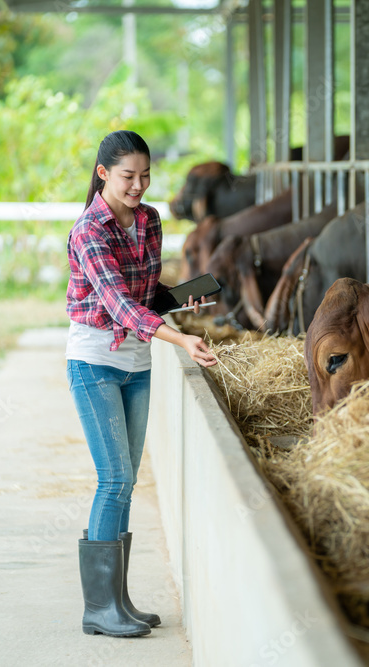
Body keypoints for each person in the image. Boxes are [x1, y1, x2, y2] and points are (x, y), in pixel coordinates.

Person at [65, 130, 217, 638]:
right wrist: (181, 339)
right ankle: (98, 608)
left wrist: (181, 300)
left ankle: (118, 601)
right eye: (129, 176)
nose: (139, 186)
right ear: (104, 173)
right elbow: (118, 306)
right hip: (94, 364)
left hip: (137, 363)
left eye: (145, 176)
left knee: (127, 482)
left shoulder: (149, 220)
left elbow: (146, 295)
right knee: (113, 479)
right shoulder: (89, 230)